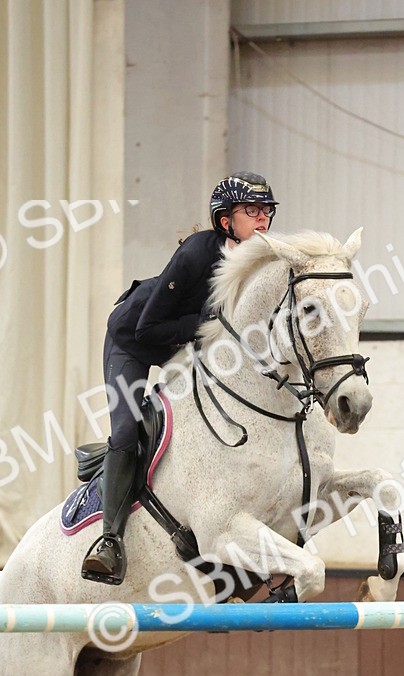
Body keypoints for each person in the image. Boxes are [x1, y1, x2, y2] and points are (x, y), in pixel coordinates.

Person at [81, 172, 279, 585]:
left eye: (267, 212)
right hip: (134, 342)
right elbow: (147, 329)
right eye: (252, 212)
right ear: (226, 221)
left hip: (185, 346)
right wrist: (207, 320)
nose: (262, 220)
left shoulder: (264, 259)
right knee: (127, 431)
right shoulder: (194, 254)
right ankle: (109, 543)